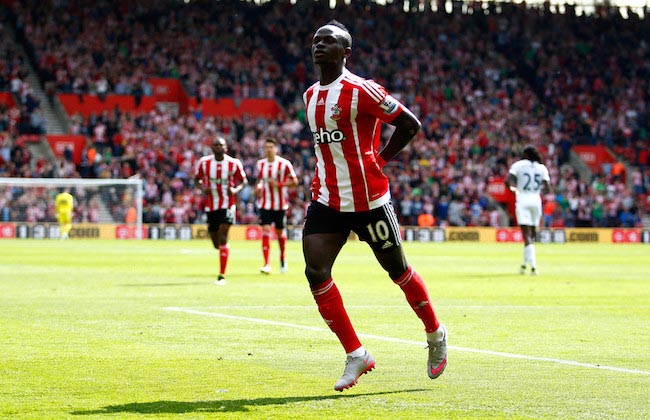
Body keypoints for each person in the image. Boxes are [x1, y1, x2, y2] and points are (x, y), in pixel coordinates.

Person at [302, 21, 447, 392]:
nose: (320, 44)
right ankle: (356, 355)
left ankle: (435, 333)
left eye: (329, 40)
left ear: (345, 51)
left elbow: (409, 124)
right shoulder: (310, 96)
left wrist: (380, 160)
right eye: (317, 40)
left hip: (369, 200)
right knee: (316, 271)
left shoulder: (362, 90)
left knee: (397, 271)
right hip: (328, 200)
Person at [194, 136, 248, 286]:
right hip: (211, 206)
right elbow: (196, 179)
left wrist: (235, 189)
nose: (219, 147)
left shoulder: (234, 163)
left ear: (226, 148)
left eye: (221, 145)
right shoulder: (204, 163)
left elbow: (244, 181)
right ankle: (223, 251)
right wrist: (202, 188)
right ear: (212, 148)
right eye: (216, 144)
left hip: (227, 204)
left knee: (223, 237)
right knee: (216, 243)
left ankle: (221, 275)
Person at [505, 145, 551, 276]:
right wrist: (536, 191)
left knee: (527, 236)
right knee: (532, 234)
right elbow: (548, 188)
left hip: (523, 199)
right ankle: (524, 265)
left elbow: (507, 181)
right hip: (536, 201)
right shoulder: (541, 167)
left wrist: (515, 190)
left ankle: (534, 267)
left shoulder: (518, 165)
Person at [255, 138, 298, 274]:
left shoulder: (284, 164)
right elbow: (260, 180)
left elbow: (295, 181)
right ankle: (267, 264)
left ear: (276, 149)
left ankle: (282, 258)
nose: (268, 149)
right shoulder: (260, 164)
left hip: (280, 205)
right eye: (266, 147)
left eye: (271, 147)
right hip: (264, 203)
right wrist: (258, 187)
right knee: (266, 231)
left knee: (280, 233)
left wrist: (280, 185)